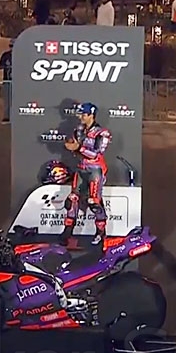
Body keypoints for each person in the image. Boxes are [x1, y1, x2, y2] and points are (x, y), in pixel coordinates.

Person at [60, 102, 112, 247]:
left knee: (94, 202)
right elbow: (73, 145)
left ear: (91, 115)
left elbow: (96, 153)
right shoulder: (79, 130)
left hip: (95, 170)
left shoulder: (102, 133)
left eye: (83, 114)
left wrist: (78, 148)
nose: (80, 117)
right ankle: (67, 233)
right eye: (80, 114)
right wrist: (71, 146)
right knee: (72, 200)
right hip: (80, 168)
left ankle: (101, 233)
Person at [0, 40, 13, 123]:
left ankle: (15, 115)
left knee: (16, 99)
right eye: (10, 46)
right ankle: (6, 116)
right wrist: (6, 65)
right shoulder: (5, 55)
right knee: (7, 100)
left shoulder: (20, 55)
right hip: (7, 80)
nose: (12, 48)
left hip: (17, 82)